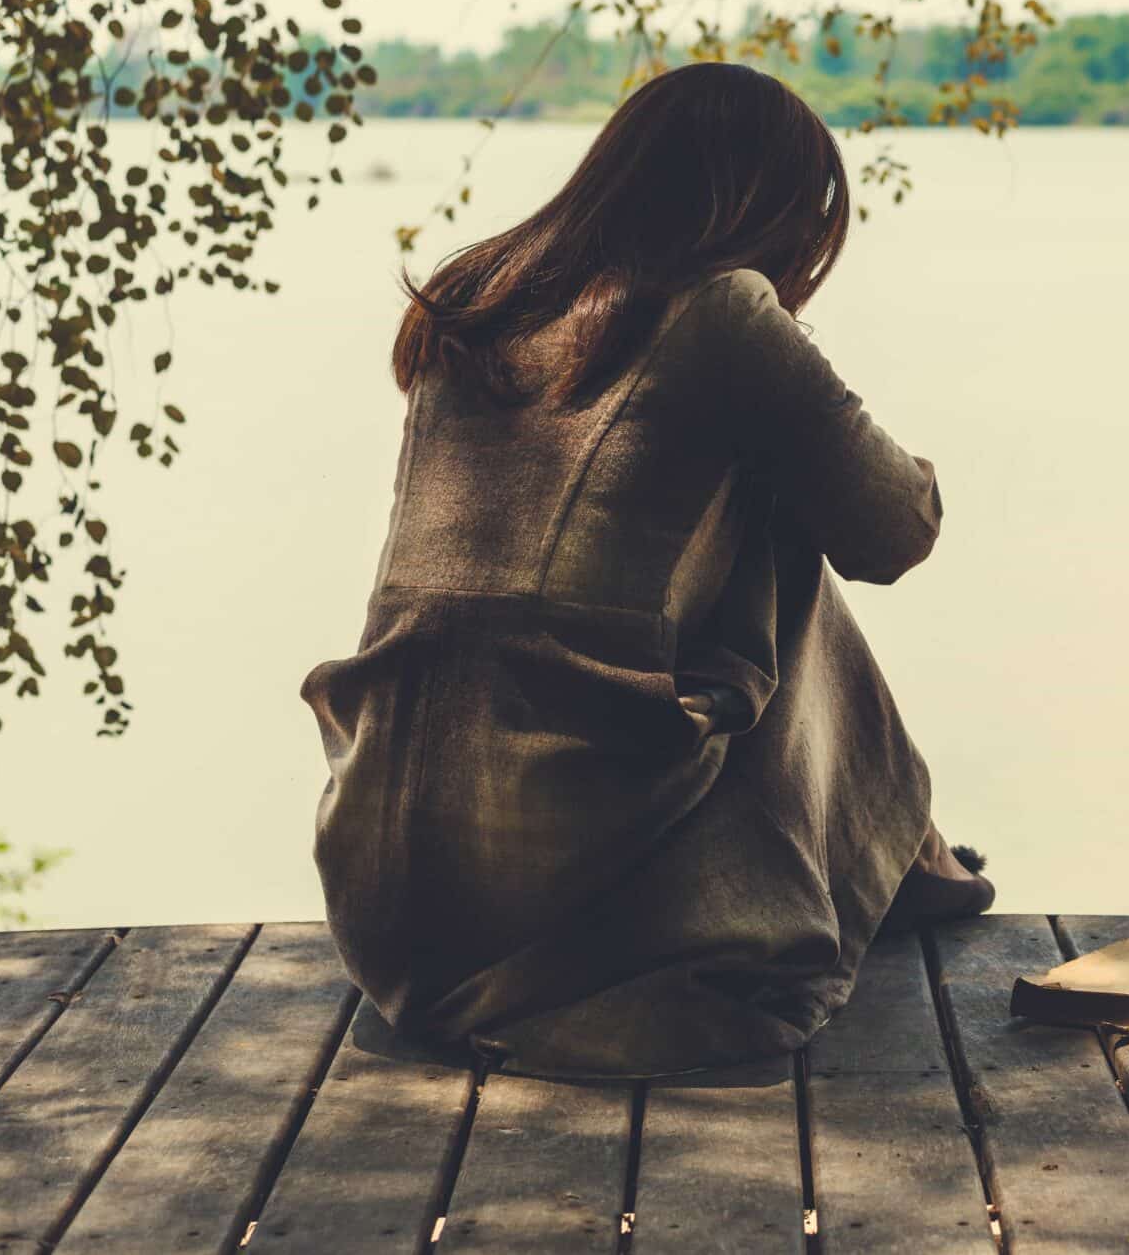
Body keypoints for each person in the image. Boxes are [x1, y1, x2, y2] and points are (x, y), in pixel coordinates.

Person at [298, 60, 994, 1081]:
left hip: (389, 888)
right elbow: (893, 529)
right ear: (765, 210)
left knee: (731, 511)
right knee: (780, 534)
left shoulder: (467, 297)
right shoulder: (719, 311)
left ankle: (909, 856)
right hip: (558, 879)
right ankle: (903, 857)